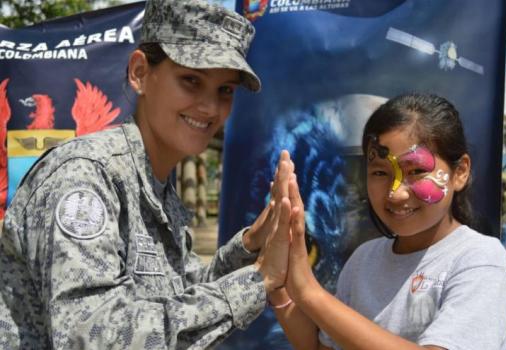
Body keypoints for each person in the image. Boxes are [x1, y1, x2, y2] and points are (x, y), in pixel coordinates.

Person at [0, 0, 293, 348]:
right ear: (140, 72)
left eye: (224, 90)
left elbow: (180, 298)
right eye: (191, 80)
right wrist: (259, 280)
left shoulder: (156, 184)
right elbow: (93, 336)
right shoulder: (85, 179)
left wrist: (248, 248)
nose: (210, 107)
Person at [270, 93, 506, 349]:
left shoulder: (480, 259)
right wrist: (280, 284)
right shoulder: (363, 259)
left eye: (417, 171)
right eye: (379, 172)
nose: (396, 193)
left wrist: (310, 293)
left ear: (460, 172)